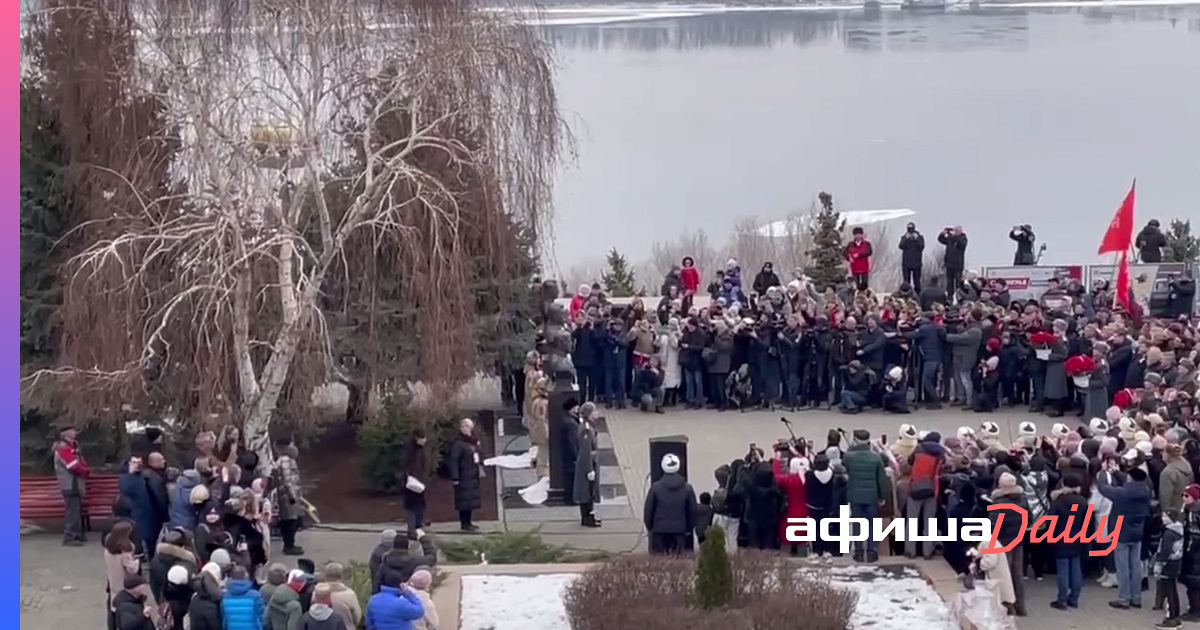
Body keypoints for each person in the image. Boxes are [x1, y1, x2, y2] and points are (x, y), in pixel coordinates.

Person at [1095, 463, 1152, 611]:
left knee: (1122, 567)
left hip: (1120, 532)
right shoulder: (1146, 491)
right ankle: (1136, 598)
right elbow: (1131, 481)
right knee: (1136, 566)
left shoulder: (1122, 493)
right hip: (1137, 531)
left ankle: (1124, 599)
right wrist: (1117, 472)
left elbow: (1103, 488)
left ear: (1130, 479)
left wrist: (1103, 473)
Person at [842, 429, 889, 562]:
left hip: (855, 495)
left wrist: (851, 447)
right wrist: (883, 496)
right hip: (872, 496)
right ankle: (872, 550)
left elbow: (844, 467)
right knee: (872, 524)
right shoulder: (876, 457)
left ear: (855, 440)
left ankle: (858, 551)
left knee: (857, 523)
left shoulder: (849, 457)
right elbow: (882, 479)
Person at [643, 453, 698, 554]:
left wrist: (651, 528)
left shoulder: (655, 488)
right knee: (679, 562)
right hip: (680, 531)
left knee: (659, 562)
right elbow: (693, 511)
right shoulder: (687, 488)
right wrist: (688, 528)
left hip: (659, 531)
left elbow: (648, 511)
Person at [1049, 474, 1089, 610]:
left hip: (1060, 538)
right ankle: (1074, 598)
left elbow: (1051, 521)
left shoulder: (1058, 501)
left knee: (1063, 570)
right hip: (1078, 538)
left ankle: (1062, 600)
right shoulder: (1083, 501)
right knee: (1076, 568)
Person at [53, 422, 90, 546]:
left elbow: (81, 462)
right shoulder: (62, 447)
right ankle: (70, 536)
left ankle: (77, 533)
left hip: (76, 483)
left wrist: (84, 469)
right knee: (72, 510)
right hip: (70, 483)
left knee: (76, 509)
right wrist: (85, 471)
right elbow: (73, 465)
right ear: (65, 433)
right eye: (72, 430)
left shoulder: (74, 446)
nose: (75, 432)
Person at [103, 520, 142, 630]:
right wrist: (137, 561)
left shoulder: (109, 549)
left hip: (113, 580)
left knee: (113, 607)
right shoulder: (125, 552)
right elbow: (132, 569)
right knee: (124, 610)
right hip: (124, 583)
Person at [447, 418, 483, 532]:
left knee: (470, 499)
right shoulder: (458, 443)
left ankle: (469, 522)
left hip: (472, 473)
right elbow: (454, 460)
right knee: (464, 500)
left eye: (467, 426)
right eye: (463, 426)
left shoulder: (472, 441)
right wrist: (455, 477)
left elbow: (478, 454)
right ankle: (464, 523)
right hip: (463, 474)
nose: (465, 429)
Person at [273, 439, 307, 555]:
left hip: (290, 495)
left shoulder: (288, 460)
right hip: (287, 497)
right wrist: (292, 496)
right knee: (290, 521)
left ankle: (290, 544)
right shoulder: (285, 461)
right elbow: (287, 480)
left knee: (292, 520)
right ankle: (289, 545)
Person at [1155, 508, 1186, 629]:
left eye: (1165, 517)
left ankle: (1171, 618)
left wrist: (1159, 564)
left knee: (1168, 592)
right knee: (1173, 590)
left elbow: (1165, 550)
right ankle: (1175, 617)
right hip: (1176, 563)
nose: (1163, 519)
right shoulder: (1179, 530)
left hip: (1167, 565)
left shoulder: (1168, 533)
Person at [574, 402, 603, 528]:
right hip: (587, 464)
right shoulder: (586, 429)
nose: (596, 413)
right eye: (594, 411)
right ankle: (586, 517)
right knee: (587, 492)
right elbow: (585, 451)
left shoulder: (588, 427)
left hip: (590, 462)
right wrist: (589, 469)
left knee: (589, 492)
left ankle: (589, 516)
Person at [221, 564, 265, 630]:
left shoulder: (224, 597)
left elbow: (224, 619)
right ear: (246, 576)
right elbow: (261, 617)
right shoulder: (256, 596)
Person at [401, 429, 428, 534]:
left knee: (419, 504)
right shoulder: (411, 449)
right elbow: (411, 464)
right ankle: (413, 528)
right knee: (414, 505)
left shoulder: (418, 449)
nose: (425, 440)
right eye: (423, 438)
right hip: (413, 480)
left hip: (418, 479)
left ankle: (418, 524)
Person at [321, 563, 363, 630]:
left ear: (325, 576)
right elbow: (357, 617)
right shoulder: (350, 595)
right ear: (341, 576)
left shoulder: (317, 594)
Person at [527, 377, 550, 479]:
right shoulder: (542, 403)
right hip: (542, 428)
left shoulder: (536, 401)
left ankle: (539, 464)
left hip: (538, 427)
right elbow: (542, 417)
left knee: (542, 449)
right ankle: (542, 471)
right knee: (543, 451)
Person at [937, 226, 969, 297]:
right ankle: (949, 297)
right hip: (949, 264)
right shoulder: (950, 239)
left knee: (958, 283)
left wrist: (955, 236)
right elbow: (940, 240)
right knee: (949, 284)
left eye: (957, 231)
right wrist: (943, 233)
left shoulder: (963, 238)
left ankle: (958, 297)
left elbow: (962, 244)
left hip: (958, 265)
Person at [898, 222, 925, 291]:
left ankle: (918, 295)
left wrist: (917, 238)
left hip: (917, 262)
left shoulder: (920, 237)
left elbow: (921, 247)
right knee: (906, 281)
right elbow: (901, 246)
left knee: (917, 281)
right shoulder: (904, 237)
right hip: (906, 263)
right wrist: (905, 238)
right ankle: (906, 294)